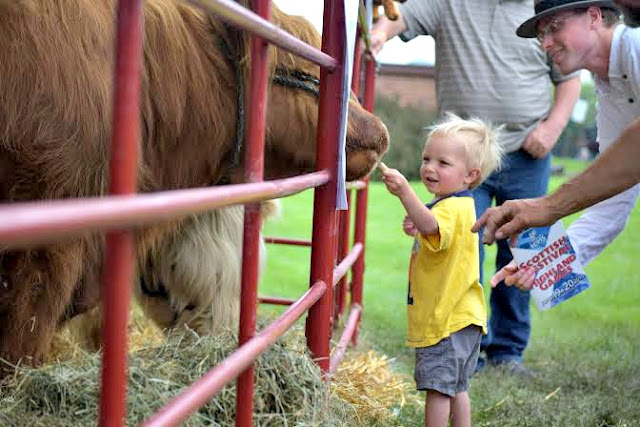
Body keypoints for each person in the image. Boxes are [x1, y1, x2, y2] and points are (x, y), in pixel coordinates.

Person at [370, 0, 582, 375]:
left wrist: (552, 129)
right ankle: (469, 348)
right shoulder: (448, 3)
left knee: (526, 249)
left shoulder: (542, 10)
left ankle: (509, 352)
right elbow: (397, 17)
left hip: (527, 150)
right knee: (461, 248)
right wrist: (378, 34)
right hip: (461, 162)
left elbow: (568, 78)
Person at [475, 0, 640, 289]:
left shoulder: (636, 47)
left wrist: (547, 207)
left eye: (555, 27)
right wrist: (547, 264)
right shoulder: (609, 89)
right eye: (542, 35)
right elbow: (613, 202)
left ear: (593, 16)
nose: (545, 44)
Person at [380, 114, 503, 427]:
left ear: (469, 176)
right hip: (466, 316)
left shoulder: (450, 208)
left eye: (443, 163)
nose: (430, 168)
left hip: (446, 319)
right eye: (426, 158)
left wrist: (406, 193)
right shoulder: (459, 205)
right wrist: (419, 226)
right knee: (457, 386)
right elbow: (432, 228)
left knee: (438, 389)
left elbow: (432, 224)